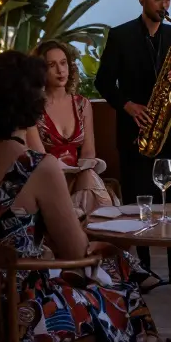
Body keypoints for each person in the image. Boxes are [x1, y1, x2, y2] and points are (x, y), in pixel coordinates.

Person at [0, 51, 159, 342]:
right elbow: (76, 253)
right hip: (24, 320)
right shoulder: (35, 166)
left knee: (111, 275)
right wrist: (107, 248)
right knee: (120, 291)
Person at [94, 0, 171, 296]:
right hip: (136, 128)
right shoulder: (121, 36)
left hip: (169, 130)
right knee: (136, 204)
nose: (165, 5)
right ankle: (139, 272)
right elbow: (103, 82)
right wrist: (128, 105)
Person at [33, 39, 119, 215]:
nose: (60, 70)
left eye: (64, 63)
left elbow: (89, 151)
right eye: (52, 65)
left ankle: (90, 228)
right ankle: (91, 231)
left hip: (79, 175)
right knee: (88, 187)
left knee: (88, 177)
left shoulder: (82, 104)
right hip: (48, 177)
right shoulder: (33, 108)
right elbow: (38, 157)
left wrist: (81, 168)